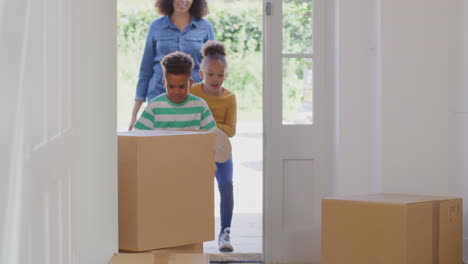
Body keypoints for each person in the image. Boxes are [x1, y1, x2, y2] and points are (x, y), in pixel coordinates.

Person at [129, 0, 215, 131]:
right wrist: (134, 113)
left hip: (192, 102)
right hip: (158, 93)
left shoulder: (205, 27)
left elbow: (212, 68)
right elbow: (145, 70)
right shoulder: (156, 26)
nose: (183, 1)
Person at [190, 40, 237, 252]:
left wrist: (207, 124)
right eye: (210, 74)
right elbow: (190, 120)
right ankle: (191, 234)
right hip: (197, 151)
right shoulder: (194, 92)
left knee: (226, 186)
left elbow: (231, 130)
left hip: (222, 151)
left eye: (220, 75)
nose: (215, 79)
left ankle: (225, 233)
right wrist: (215, 126)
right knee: (194, 189)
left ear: (225, 75)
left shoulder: (229, 98)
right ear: (201, 73)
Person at [134, 51, 216, 132]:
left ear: (190, 83)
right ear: (164, 83)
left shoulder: (200, 106)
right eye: (171, 87)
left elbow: (212, 134)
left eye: (181, 87)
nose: (176, 92)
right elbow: (139, 134)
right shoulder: (154, 107)